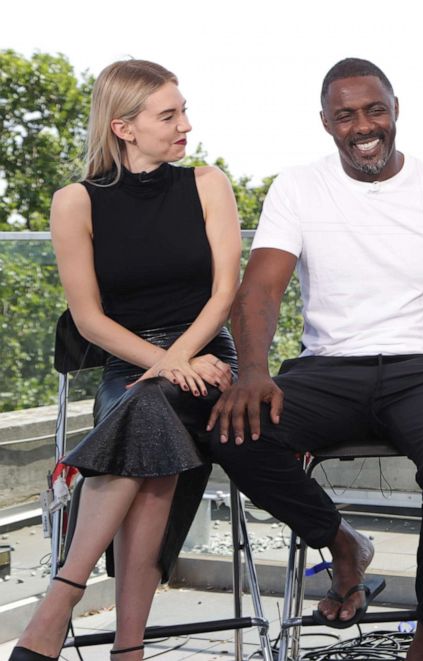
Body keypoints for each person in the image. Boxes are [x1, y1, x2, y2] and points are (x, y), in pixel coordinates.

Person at [206, 57, 423, 661]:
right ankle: (341, 544)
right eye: (346, 115)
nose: (362, 125)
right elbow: (260, 289)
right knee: (234, 431)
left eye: (374, 110)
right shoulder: (298, 187)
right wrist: (253, 371)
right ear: (326, 123)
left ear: (396, 112)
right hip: (328, 369)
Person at [10, 60, 241, 661]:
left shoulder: (206, 183)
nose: (186, 125)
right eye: (169, 115)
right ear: (124, 127)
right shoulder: (74, 203)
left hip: (209, 357)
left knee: (147, 414)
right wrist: (166, 366)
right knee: (148, 424)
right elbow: (89, 321)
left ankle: (59, 601)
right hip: (130, 365)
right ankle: (127, 649)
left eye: (183, 110)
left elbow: (224, 295)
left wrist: (182, 359)